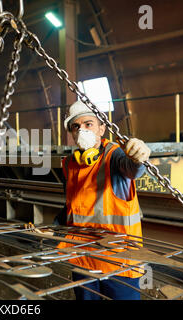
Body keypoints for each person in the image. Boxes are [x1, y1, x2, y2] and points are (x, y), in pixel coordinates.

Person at [56, 100, 151, 300]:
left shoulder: (114, 157)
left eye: (88, 124)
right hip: (83, 260)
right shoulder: (69, 165)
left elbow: (132, 169)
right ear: (72, 134)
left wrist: (138, 157)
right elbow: (72, 207)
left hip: (119, 264)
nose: (82, 130)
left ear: (102, 129)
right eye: (76, 126)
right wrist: (52, 227)